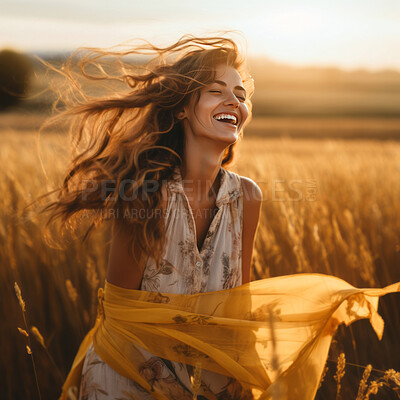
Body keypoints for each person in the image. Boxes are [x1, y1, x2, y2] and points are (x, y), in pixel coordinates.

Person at [36, 33, 400, 400]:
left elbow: (235, 310)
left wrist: (309, 315)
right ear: (180, 108)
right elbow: (121, 315)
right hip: (125, 375)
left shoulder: (247, 198)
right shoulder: (144, 192)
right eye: (216, 90)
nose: (234, 100)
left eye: (241, 95)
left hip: (206, 385)